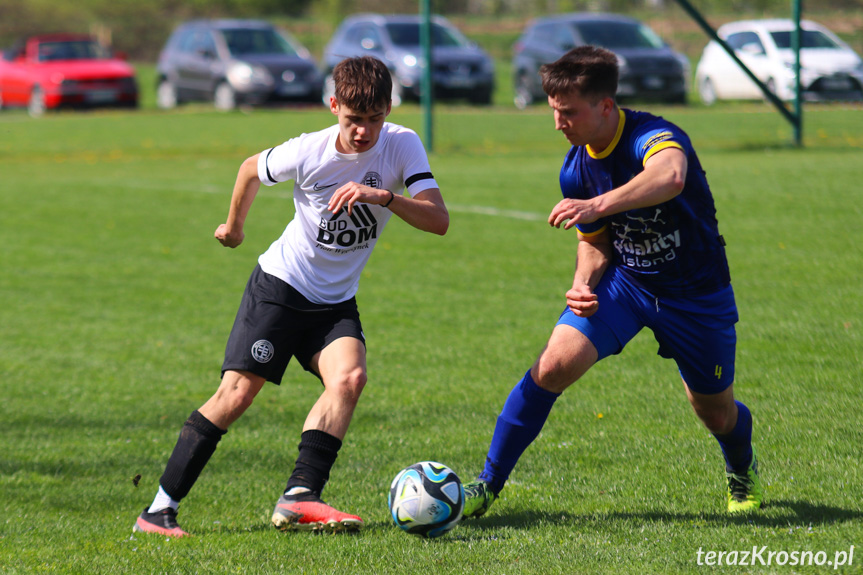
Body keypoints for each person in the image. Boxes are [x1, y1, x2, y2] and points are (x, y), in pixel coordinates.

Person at [133, 56, 449, 537]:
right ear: (333, 106)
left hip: (335, 300)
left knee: (350, 378)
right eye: (352, 119)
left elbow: (438, 220)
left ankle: (301, 496)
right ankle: (157, 512)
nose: (363, 132)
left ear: (388, 108)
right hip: (281, 288)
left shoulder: (403, 145)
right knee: (237, 394)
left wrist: (383, 197)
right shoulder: (309, 152)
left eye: (373, 119)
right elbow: (249, 170)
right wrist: (234, 228)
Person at [461, 46, 762, 519]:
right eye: (554, 111)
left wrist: (598, 205)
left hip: (695, 294)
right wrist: (583, 282)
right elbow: (595, 243)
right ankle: (486, 486)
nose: (559, 123)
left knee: (715, 412)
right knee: (553, 365)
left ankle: (741, 468)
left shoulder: (653, 134)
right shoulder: (576, 167)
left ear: (605, 106)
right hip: (626, 287)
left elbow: (671, 176)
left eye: (569, 113)